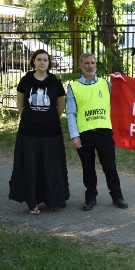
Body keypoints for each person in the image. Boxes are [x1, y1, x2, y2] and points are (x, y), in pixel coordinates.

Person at [9, 49, 69, 215]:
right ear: (33, 62)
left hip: (51, 132)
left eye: (45, 60)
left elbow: (60, 107)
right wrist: (32, 117)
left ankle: (53, 200)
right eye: (39, 59)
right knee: (31, 165)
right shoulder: (25, 81)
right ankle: (32, 202)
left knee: (51, 165)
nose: (42, 62)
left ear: (49, 63)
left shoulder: (55, 82)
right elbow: (20, 105)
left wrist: (47, 119)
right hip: (28, 132)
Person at [66, 52, 128, 211]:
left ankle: (117, 196)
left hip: (104, 132)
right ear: (81, 65)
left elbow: (122, 96)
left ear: (96, 64)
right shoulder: (74, 87)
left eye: (93, 63)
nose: (90, 66)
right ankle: (90, 197)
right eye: (86, 63)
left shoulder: (106, 84)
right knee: (88, 168)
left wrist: (121, 80)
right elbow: (71, 113)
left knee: (110, 167)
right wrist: (74, 135)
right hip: (84, 134)